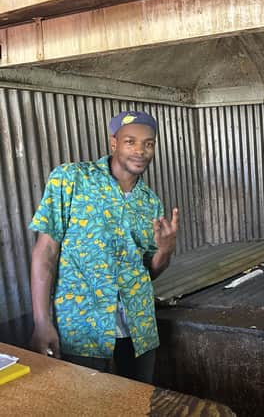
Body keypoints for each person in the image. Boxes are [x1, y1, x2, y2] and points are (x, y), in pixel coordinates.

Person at [28, 110, 179, 383]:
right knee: (85, 404)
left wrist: (165, 250)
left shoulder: (150, 202)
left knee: (138, 403)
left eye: (148, 143)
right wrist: (42, 321)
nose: (140, 151)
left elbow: (149, 271)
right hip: (83, 327)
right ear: (114, 143)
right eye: (130, 141)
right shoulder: (71, 179)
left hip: (138, 328)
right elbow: (45, 252)